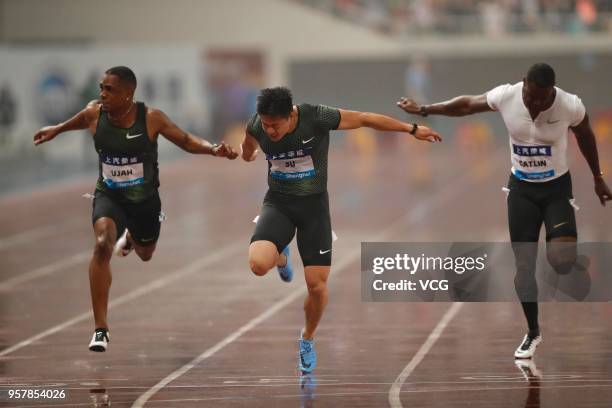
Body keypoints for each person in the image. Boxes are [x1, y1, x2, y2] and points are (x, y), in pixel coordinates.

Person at [397, 62, 611, 359]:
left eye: (542, 98)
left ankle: (565, 257)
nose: (535, 103)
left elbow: (586, 135)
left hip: (556, 189)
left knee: (561, 262)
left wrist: (598, 177)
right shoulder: (507, 96)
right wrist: (425, 110)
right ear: (524, 84)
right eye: (530, 96)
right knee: (523, 268)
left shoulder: (570, 105)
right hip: (521, 190)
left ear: (552, 92)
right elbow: (467, 105)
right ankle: (533, 333)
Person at [33, 66, 238, 352]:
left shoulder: (151, 118)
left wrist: (214, 148)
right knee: (103, 244)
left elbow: (186, 140)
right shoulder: (95, 112)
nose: (103, 94)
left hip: (145, 201)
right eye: (102, 87)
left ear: (129, 93)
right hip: (109, 195)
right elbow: (81, 119)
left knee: (145, 254)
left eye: (110, 89)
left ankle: (131, 237)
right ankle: (101, 328)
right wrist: (57, 129)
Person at [242, 86, 441, 373]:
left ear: (290, 115)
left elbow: (365, 119)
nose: (270, 130)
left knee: (317, 286)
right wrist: (244, 153)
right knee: (258, 264)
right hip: (278, 204)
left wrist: (411, 129)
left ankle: (307, 338)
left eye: (275, 125)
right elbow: (247, 149)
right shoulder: (257, 125)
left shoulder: (317, 117)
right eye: (266, 124)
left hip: (313, 209)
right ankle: (281, 255)